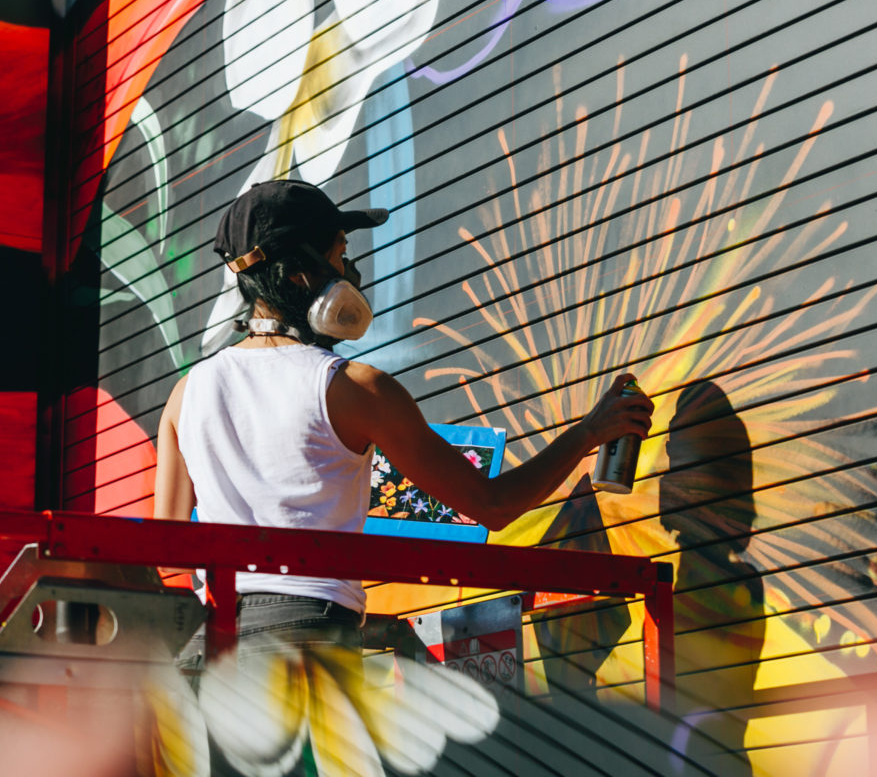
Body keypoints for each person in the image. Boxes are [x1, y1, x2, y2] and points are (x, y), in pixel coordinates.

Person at [154, 179, 655, 662]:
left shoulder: (185, 395)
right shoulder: (352, 388)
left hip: (208, 646)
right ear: (298, 275)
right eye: (339, 255)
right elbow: (494, 505)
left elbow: (167, 555)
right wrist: (590, 432)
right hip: (304, 639)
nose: (350, 272)